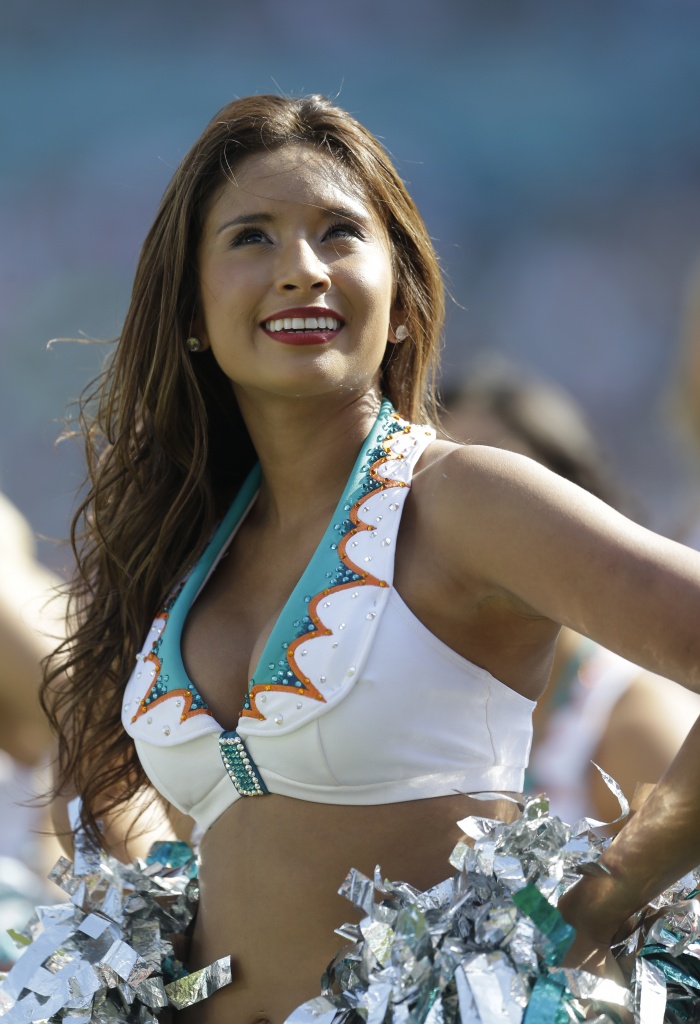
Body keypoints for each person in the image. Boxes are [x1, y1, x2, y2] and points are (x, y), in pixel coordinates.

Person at [40, 95, 700, 1023]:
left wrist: (604, 900)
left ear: (400, 300)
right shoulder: (183, 535)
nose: (301, 270)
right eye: (251, 238)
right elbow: (106, 790)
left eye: (340, 233)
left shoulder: (466, 499)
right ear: (191, 306)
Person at [441, 376, 700, 824]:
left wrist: (614, 889)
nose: (466, 524)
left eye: (498, 493)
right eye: (435, 486)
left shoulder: (634, 720)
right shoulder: (414, 700)